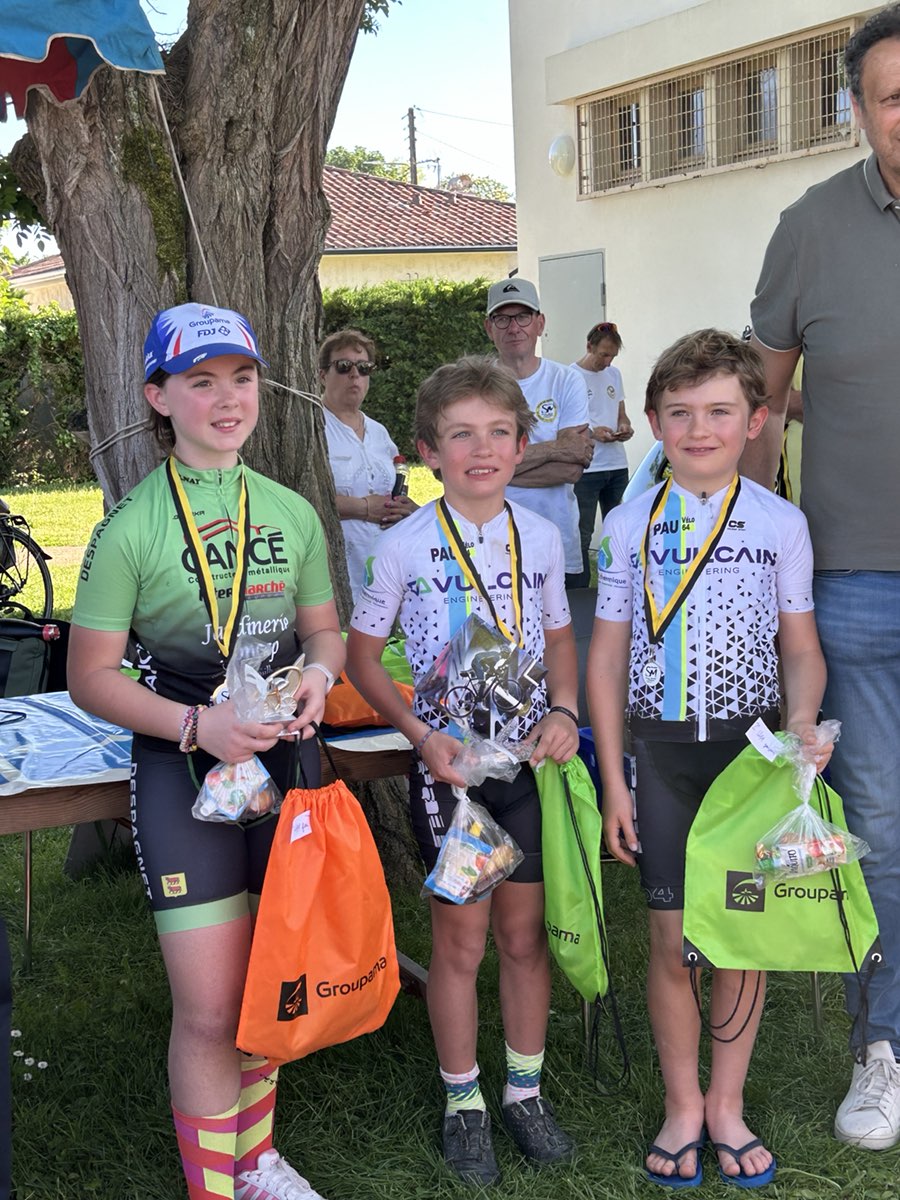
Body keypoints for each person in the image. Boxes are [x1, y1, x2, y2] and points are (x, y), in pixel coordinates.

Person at [67, 303, 346, 1200]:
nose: (227, 400)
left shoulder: (293, 511)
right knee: (209, 1009)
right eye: (200, 382)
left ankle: (255, 1161)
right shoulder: (131, 526)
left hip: (282, 763)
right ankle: (212, 1188)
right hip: (181, 766)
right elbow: (90, 678)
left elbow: (325, 634)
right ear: (159, 396)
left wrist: (316, 679)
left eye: (242, 378)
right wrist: (197, 728)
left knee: (272, 985)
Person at [587, 330, 832, 1188]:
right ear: (653, 421)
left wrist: (802, 719)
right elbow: (606, 660)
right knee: (671, 942)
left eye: (721, 412)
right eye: (681, 413)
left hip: (749, 757)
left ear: (756, 420)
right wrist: (613, 779)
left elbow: (800, 647)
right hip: (658, 756)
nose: (700, 429)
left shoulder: (780, 522)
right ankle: (682, 1104)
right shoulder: (626, 524)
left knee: (740, 935)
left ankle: (726, 1105)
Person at [346, 356, 579, 1187]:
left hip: (521, 768)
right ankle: (463, 1101)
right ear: (428, 451)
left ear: (522, 446)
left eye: (498, 433)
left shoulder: (543, 536)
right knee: (462, 941)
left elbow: (558, 637)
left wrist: (564, 710)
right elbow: (363, 658)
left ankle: (524, 1091)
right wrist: (416, 733)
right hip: (448, 775)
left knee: (523, 938)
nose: (481, 449)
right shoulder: (405, 543)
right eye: (460, 435)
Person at [747, 3, 900, 1151]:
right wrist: (748, 560)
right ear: (857, 109)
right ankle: (882, 1045)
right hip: (858, 585)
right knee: (885, 829)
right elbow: (758, 409)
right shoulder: (809, 226)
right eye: (891, 95)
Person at [483, 278, 593, 587]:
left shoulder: (566, 380)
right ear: (488, 327)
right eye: (502, 318)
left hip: (558, 542)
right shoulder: (475, 386)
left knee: (565, 633)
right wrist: (556, 448)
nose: (513, 327)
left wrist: (492, 472)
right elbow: (567, 454)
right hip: (491, 544)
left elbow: (572, 469)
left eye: (523, 316)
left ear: (540, 323)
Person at [319, 329, 416, 601]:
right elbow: (300, 497)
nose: (355, 375)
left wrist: (404, 507)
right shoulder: (313, 428)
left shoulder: (379, 433)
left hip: (385, 570)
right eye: (343, 366)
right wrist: (363, 508)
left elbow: (394, 487)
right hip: (336, 574)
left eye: (364, 368)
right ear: (322, 375)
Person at [569, 320, 634, 587]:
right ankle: (579, 589)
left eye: (612, 356)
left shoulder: (614, 375)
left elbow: (621, 414)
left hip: (617, 465)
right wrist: (593, 433)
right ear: (589, 346)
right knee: (583, 533)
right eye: (603, 354)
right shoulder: (570, 376)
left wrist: (625, 428)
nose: (607, 361)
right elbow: (564, 425)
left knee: (621, 531)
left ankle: (620, 585)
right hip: (588, 467)